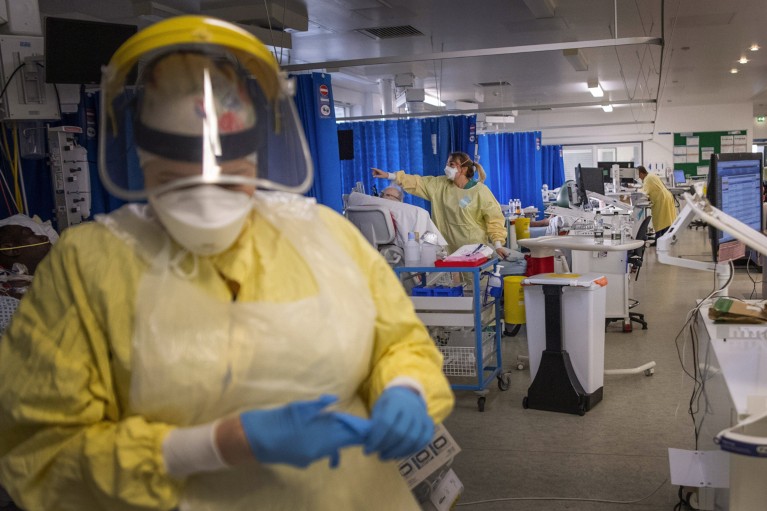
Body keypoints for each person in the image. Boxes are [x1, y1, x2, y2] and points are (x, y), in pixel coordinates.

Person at [0, 16, 453, 511]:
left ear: (256, 153)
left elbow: (399, 341)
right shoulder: (90, 266)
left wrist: (405, 389)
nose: (207, 193)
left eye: (230, 172)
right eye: (179, 173)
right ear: (143, 155)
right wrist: (208, 446)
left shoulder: (324, 236)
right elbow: (38, 452)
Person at [372, 152, 509, 258]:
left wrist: (498, 245)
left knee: (477, 288)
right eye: (447, 164)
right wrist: (389, 175)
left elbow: (494, 219)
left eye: (451, 165)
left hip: (473, 250)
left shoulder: (480, 192)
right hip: (447, 249)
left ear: (463, 169)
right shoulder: (440, 185)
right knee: (452, 290)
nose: (447, 168)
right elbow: (417, 182)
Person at [637, 165, 677, 239]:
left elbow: (644, 192)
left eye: (639, 175)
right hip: (665, 197)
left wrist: (636, 191)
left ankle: (659, 240)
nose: (639, 178)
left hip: (661, 199)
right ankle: (662, 238)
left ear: (641, 173)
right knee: (665, 220)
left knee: (660, 221)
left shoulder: (648, 178)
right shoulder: (651, 176)